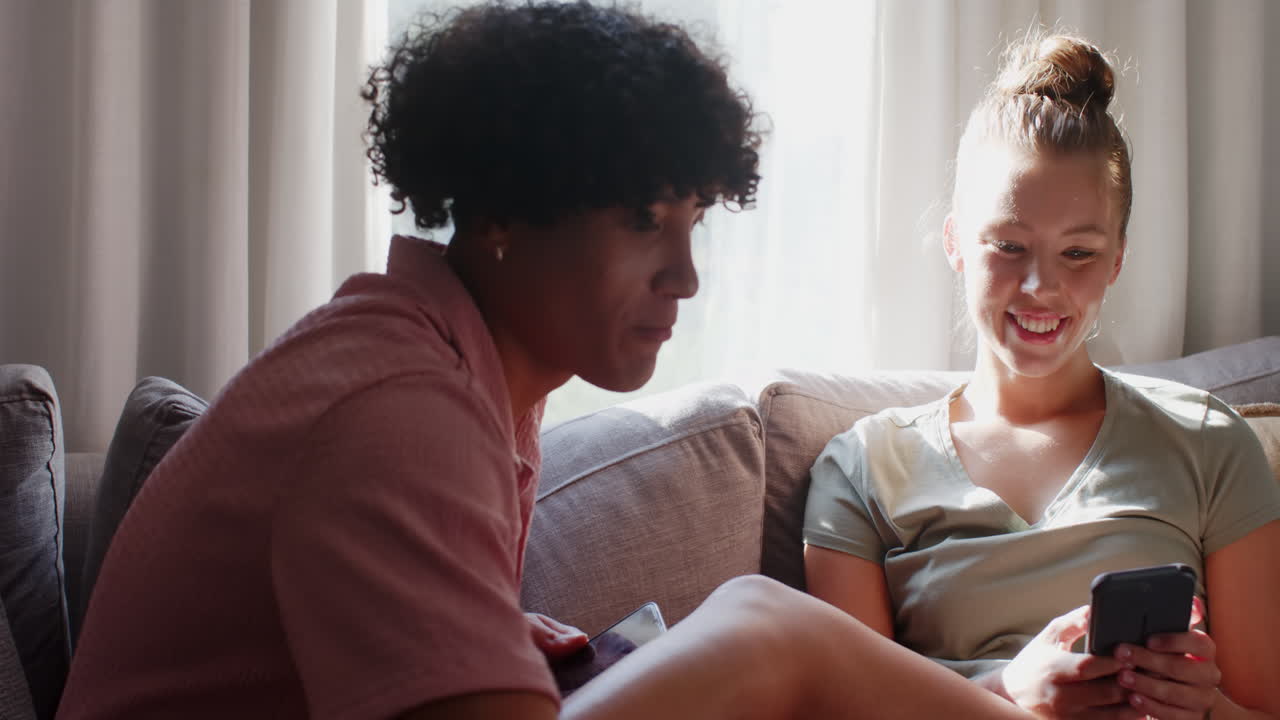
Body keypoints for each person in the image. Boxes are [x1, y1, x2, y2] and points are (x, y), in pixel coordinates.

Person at [57, 3, 1044, 720]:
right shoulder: (403, 410)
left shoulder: (448, 374)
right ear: (498, 216)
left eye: (693, 223)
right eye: (639, 221)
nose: (686, 278)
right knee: (762, 630)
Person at [803, 32, 1280, 720]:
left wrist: (1203, 707)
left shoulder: (1207, 442)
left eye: (1079, 252)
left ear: (1117, 259)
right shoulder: (861, 469)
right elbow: (837, 707)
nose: (1041, 286)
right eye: (1008, 245)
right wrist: (1006, 697)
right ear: (956, 243)